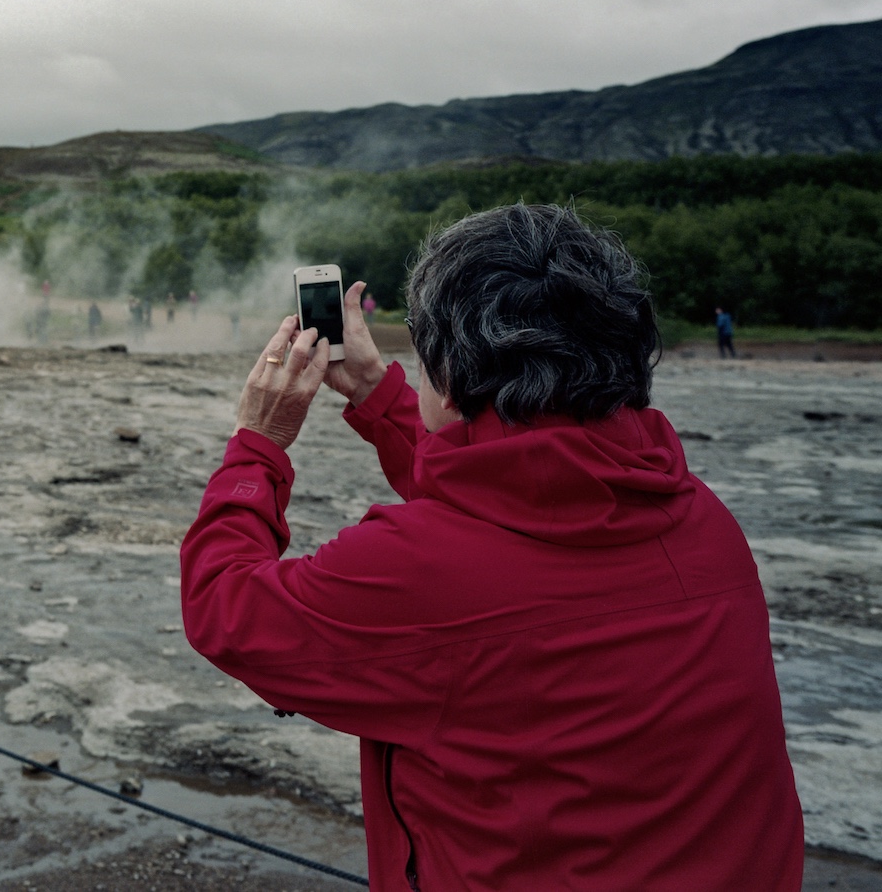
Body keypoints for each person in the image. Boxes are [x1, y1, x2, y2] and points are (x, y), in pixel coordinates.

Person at [182, 204, 801, 890]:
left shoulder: (419, 571)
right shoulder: (703, 519)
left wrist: (258, 444)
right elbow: (519, 490)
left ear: (447, 375)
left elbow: (227, 609)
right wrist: (376, 393)